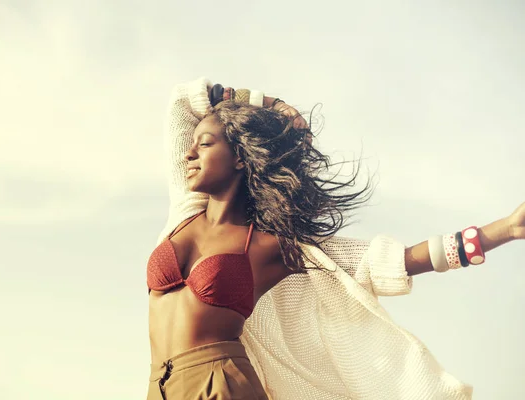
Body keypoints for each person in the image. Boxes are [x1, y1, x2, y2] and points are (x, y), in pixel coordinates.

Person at [145, 77, 524, 399]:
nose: (189, 154)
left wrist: (504, 229)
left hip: (222, 383)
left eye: (206, 144)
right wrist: (272, 106)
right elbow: (182, 103)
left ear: (242, 159)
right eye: (191, 145)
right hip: (158, 384)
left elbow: (392, 262)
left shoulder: (273, 245)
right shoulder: (186, 210)